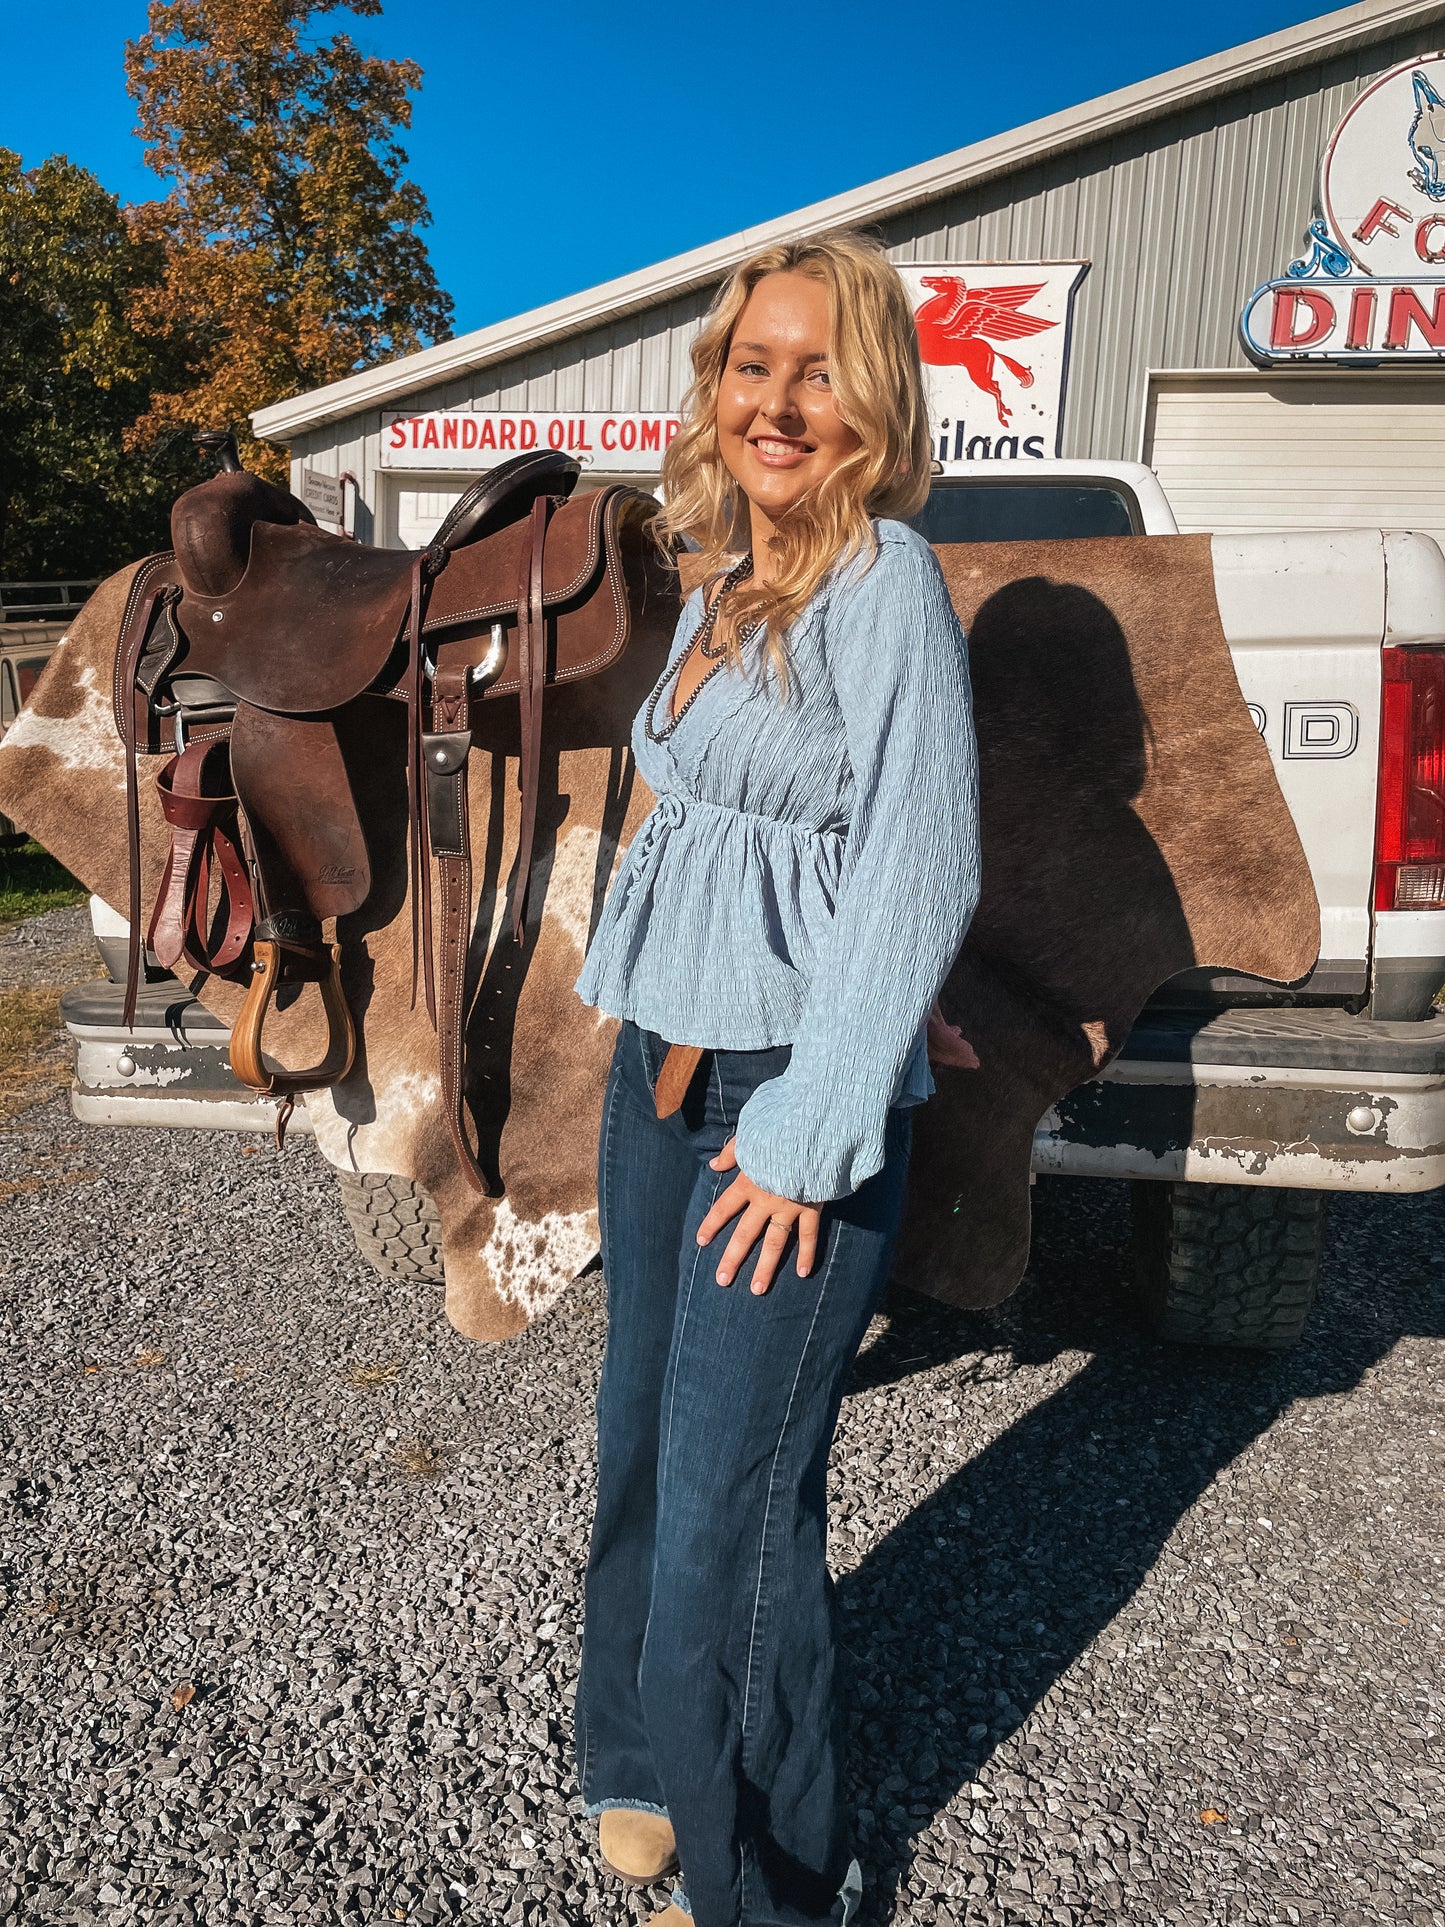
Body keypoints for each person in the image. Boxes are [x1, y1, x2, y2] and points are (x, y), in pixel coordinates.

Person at [570, 230, 981, 1927]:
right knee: (643, 1446)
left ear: (871, 392)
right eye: (753, 365)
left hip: (776, 1105)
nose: (778, 400)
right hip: (656, 1069)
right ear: (715, 385)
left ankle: (775, 1880)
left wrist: (820, 1112)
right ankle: (642, 1764)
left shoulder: (884, 581)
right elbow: (712, 829)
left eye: (816, 368)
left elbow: (918, 860)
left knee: (734, 1509)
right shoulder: (719, 570)